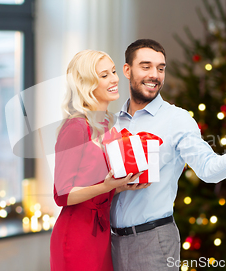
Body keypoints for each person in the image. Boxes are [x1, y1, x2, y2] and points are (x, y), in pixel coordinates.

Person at [110, 39, 226, 270]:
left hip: (153, 241)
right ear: (127, 70)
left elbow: (208, 169)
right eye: (146, 66)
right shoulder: (111, 122)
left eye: (161, 68)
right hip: (111, 242)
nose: (155, 74)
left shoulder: (177, 119)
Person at [50, 50, 149, 271]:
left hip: (103, 234)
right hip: (76, 235)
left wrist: (121, 187)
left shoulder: (108, 126)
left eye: (113, 72)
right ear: (86, 84)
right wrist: (106, 186)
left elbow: (100, 185)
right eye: (104, 75)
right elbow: (62, 195)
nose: (115, 79)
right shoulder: (75, 128)